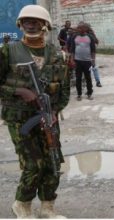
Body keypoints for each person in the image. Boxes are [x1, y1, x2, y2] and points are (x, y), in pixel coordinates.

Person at [0, 5, 70, 218]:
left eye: (36, 21)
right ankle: (22, 204)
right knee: (33, 164)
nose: (31, 24)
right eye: (27, 21)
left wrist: (55, 111)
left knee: (53, 161)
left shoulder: (57, 53)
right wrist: (19, 90)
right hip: (19, 118)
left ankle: (47, 207)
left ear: (45, 25)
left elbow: (64, 88)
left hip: (48, 117)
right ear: (20, 25)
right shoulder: (8, 51)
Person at [70, 22, 96, 101]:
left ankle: (89, 93)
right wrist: (72, 60)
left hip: (87, 61)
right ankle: (79, 94)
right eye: (78, 28)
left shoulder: (90, 37)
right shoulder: (74, 36)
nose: (79, 29)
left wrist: (93, 60)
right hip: (77, 61)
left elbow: (93, 50)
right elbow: (72, 50)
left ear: (85, 29)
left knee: (88, 78)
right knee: (78, 78)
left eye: (81, 28)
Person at [86, 23, 102, 87]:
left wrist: (93, 58)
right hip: (85, 54)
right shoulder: (80, 35)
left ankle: (97, 81)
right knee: (91, 68)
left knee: (93, 67)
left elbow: (96, 42)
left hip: (90, 53)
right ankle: (95, 82)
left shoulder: (90, 35)